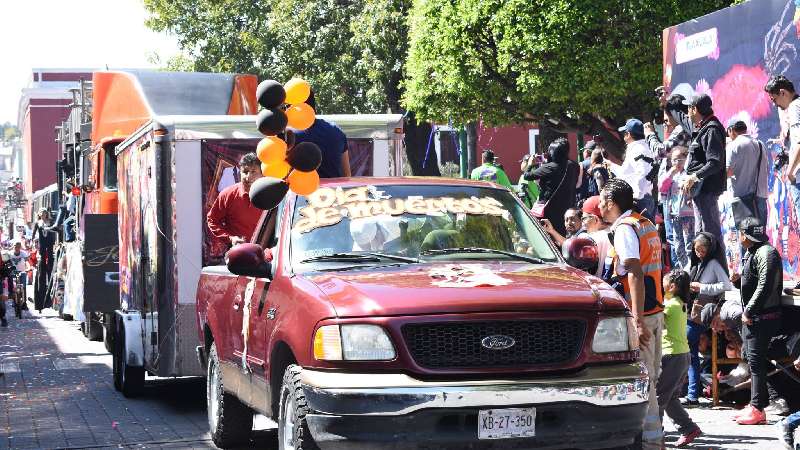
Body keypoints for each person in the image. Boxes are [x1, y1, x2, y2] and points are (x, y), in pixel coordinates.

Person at [598, 178, 664, 449]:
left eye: (602, 199)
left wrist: (636, 322)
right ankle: (654, 438)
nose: (599, 204)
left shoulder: (625, 229)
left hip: (642, 316)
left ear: (612, 204)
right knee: (652, 381)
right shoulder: (644, 223)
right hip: (654, 310)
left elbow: (634, 273)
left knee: (644, 384)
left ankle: (652, 442)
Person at [730, 217, 782, 425]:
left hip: (762, 317)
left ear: (745, 234)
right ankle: (755, 404)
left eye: (740, 233)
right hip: (755, 317)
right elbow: (752, 284)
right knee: (754, 362)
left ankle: (758, 408)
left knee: (757, 363)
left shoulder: (766, 253)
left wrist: (749, 311)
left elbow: (765, 286)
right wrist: (737, 283)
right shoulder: (754, 252)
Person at [684, 232, 732, 405]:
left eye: (702, 249)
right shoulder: (695, 264)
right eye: (696, 250)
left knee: (690, 352)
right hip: (691, 312)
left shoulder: (712, 264)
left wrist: (702, 287)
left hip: (702, 314)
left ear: (709, 249)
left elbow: (726, 285)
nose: (699, 253)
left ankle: (692, 394)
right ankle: (691, 393)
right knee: (691, 354)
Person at [657, 269, 703, 448]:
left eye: (664, 281)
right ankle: (688, 428)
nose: (662, 284)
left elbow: (655, 319)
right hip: (681, 355)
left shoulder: (671, 305)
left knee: (659, 397)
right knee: (670, 398)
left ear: (672, 286)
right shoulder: (679, 303)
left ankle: (654, 434)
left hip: (672, 356)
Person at [680, 94, 727, 252]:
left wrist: (694, 176)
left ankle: (717, 271)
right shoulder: (705, 128)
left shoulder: (711, 129)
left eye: (688, 108)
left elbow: (715, 162)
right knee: (702, 235)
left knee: (710, 234)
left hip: (707, 190)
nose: (687, 113)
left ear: (694, 109)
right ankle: (706, 271)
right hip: (701, 193)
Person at [207, 153, 265, 247]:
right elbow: (212, 220)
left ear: (262, 174)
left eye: (253, 171)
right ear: (239, 173)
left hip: (269, 253)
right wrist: (230, 238)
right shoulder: (228, 194)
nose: (248, 177)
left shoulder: (271, 194)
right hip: (238, 254)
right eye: (245, 172)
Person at [526, 138, 579, 235]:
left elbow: (527, 176)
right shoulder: (574, 165)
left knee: (545, 236)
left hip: (549, 209)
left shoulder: (551, 167)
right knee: (561, 235)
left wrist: (530, 164)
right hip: (566, 207)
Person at [293, 91, 351, 178]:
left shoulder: (289, 135)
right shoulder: (337, 131)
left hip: (301, 190)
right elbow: (347, 175)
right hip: (332, 190)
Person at [608, 119, 657, 221]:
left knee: (642, 234)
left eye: (625, 132)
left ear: (629, 134)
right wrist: (611, 166)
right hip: (644, 197)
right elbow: (627, 174)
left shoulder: (637, 149)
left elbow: (643, 173)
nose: (624, 135)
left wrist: (636, 197)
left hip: (640, 200)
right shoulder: (642, 147)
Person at [726, 119, 768, 226]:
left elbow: (727, 172)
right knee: (759, 236)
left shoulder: (733, 145)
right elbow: (766, 168)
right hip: (761, 197)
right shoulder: (760, 144)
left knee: (745, 238)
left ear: (731, 130)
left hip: (742, 199)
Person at [658, 147, 695, 270]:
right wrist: (670, 174)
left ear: (686, 159)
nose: (676, 163)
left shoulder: (689, 173)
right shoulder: (672, 176)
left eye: (680, 159)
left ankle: (690, 271)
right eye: (674, 160)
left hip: (688, 214)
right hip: (674, 215)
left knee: (689, 243)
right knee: (678, 245)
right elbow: (662, 188)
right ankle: (682, 270)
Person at [580, 195, 612, 278]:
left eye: (584, 219)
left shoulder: (589, 240)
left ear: (595, 219)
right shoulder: (619, 233)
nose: (582, 224)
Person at [31, 208, 56, 312]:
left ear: (47, 214)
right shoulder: (38, 223)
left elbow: (56, 230)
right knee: (42, 265)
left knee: (50, 260)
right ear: (40, 215)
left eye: (45, 213)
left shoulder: (51, 222)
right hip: (42, 244)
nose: (43, 215)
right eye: (42, 213)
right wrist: (32, 243)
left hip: (50, 244)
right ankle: (40, 302)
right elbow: (33, 234)